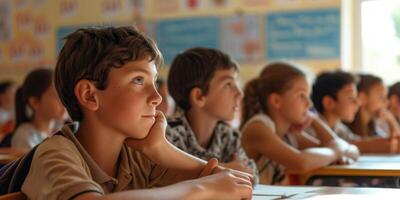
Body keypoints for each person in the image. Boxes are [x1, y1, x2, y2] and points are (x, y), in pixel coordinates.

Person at [19, 26, 253, 199]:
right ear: (90, 95)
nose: (157, 97)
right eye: (138, 80)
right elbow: (210, 186)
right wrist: (203, 188)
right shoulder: (55, 154)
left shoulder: (137, 156)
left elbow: (233, 185)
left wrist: (163, 150)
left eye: (153, 81)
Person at [241, 62, 359, 185]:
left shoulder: (288, 132)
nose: (309, 104)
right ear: (276, 101)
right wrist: (335, 152)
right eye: (301, 96)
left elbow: (346, 150)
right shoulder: (258, 127)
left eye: (308, 96)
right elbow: (302, 162)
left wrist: (314, 120)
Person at [166, 47, 258, 181]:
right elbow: (169, 177)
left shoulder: (227, 135)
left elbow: (251, 173)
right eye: (228, 85)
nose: (240, 93)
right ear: (199, 96)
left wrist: (212, 172)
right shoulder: (168, 133)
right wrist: (224, 169)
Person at [311, 70, 398, 153]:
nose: (357, 102)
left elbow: (354, 141)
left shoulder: (339, 128)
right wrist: (368, 146)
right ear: (329, 103)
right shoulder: (311, 128)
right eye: (350, 97)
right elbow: (328, 148)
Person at [11, 69, 66, 151]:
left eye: (64, 95)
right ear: (35, 102)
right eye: (58, 97)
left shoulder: (59, 127)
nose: (64, 102)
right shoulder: (25, 134)